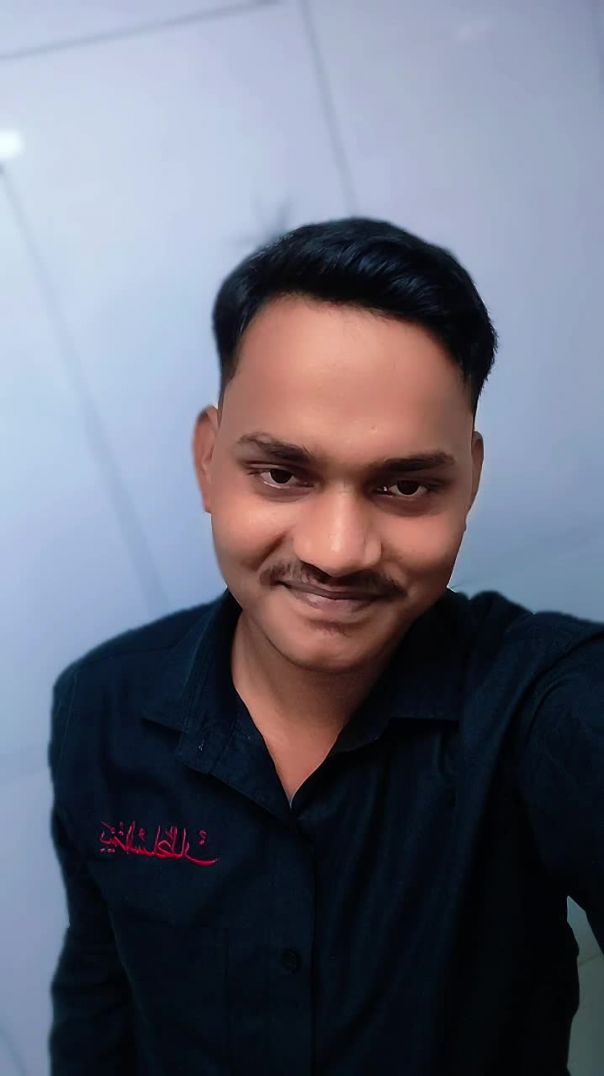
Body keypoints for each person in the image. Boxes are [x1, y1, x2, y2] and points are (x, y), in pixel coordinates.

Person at [48, 217, 604, 1076]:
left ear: (469, 480)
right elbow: (98, 997)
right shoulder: (99, 708)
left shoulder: (542, 705)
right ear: (208, 459)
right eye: (282, 474)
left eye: (406, 484)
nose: (338, 551)